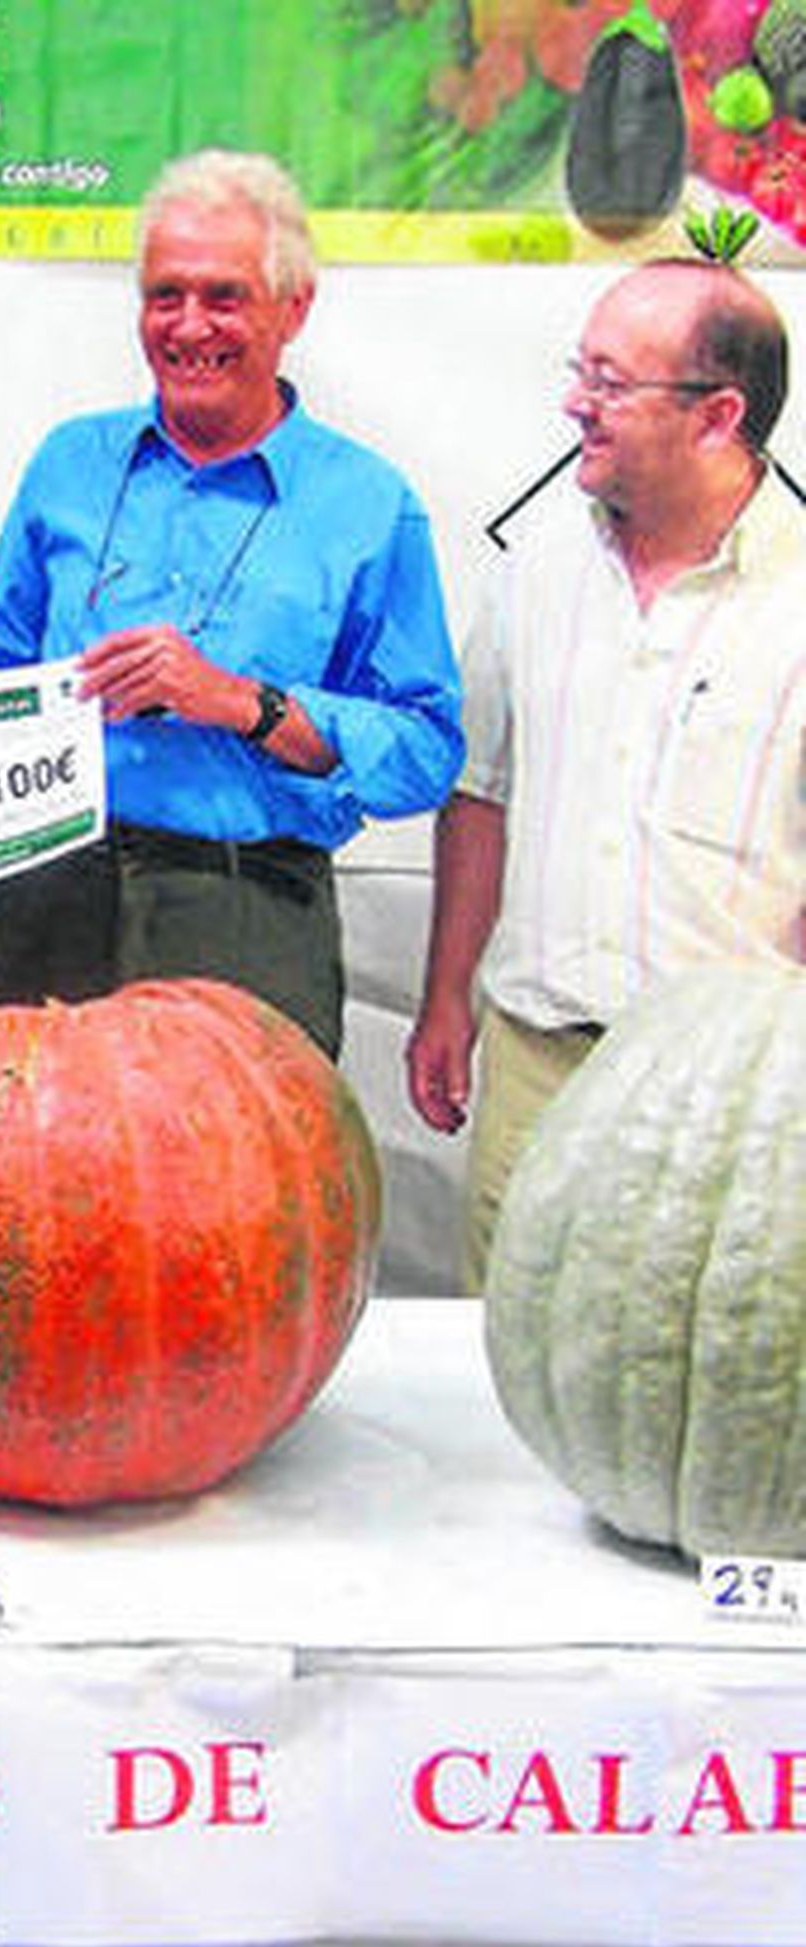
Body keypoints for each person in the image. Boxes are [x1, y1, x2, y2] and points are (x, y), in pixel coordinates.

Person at [0, 149, 463, 1057]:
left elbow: (425, 751)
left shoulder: (368, 501)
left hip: (244, 908)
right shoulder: (70, 464)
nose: (188, 324)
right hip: (50, 893)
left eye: (224, 296)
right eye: (164, 295)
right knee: (28, 1191)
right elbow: (1, 663)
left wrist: (246, 704)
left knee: (244, 1194)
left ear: (295, 308)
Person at [407, 257, 804, 1289]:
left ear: (718, 415)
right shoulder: (536, 569)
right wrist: (446, 997)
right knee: (501, 1366)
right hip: (534, 1065)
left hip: (727, 1098)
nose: (574, 402)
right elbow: (480, 792)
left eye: (611, 382)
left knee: (698, 1375)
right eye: (579, 369)